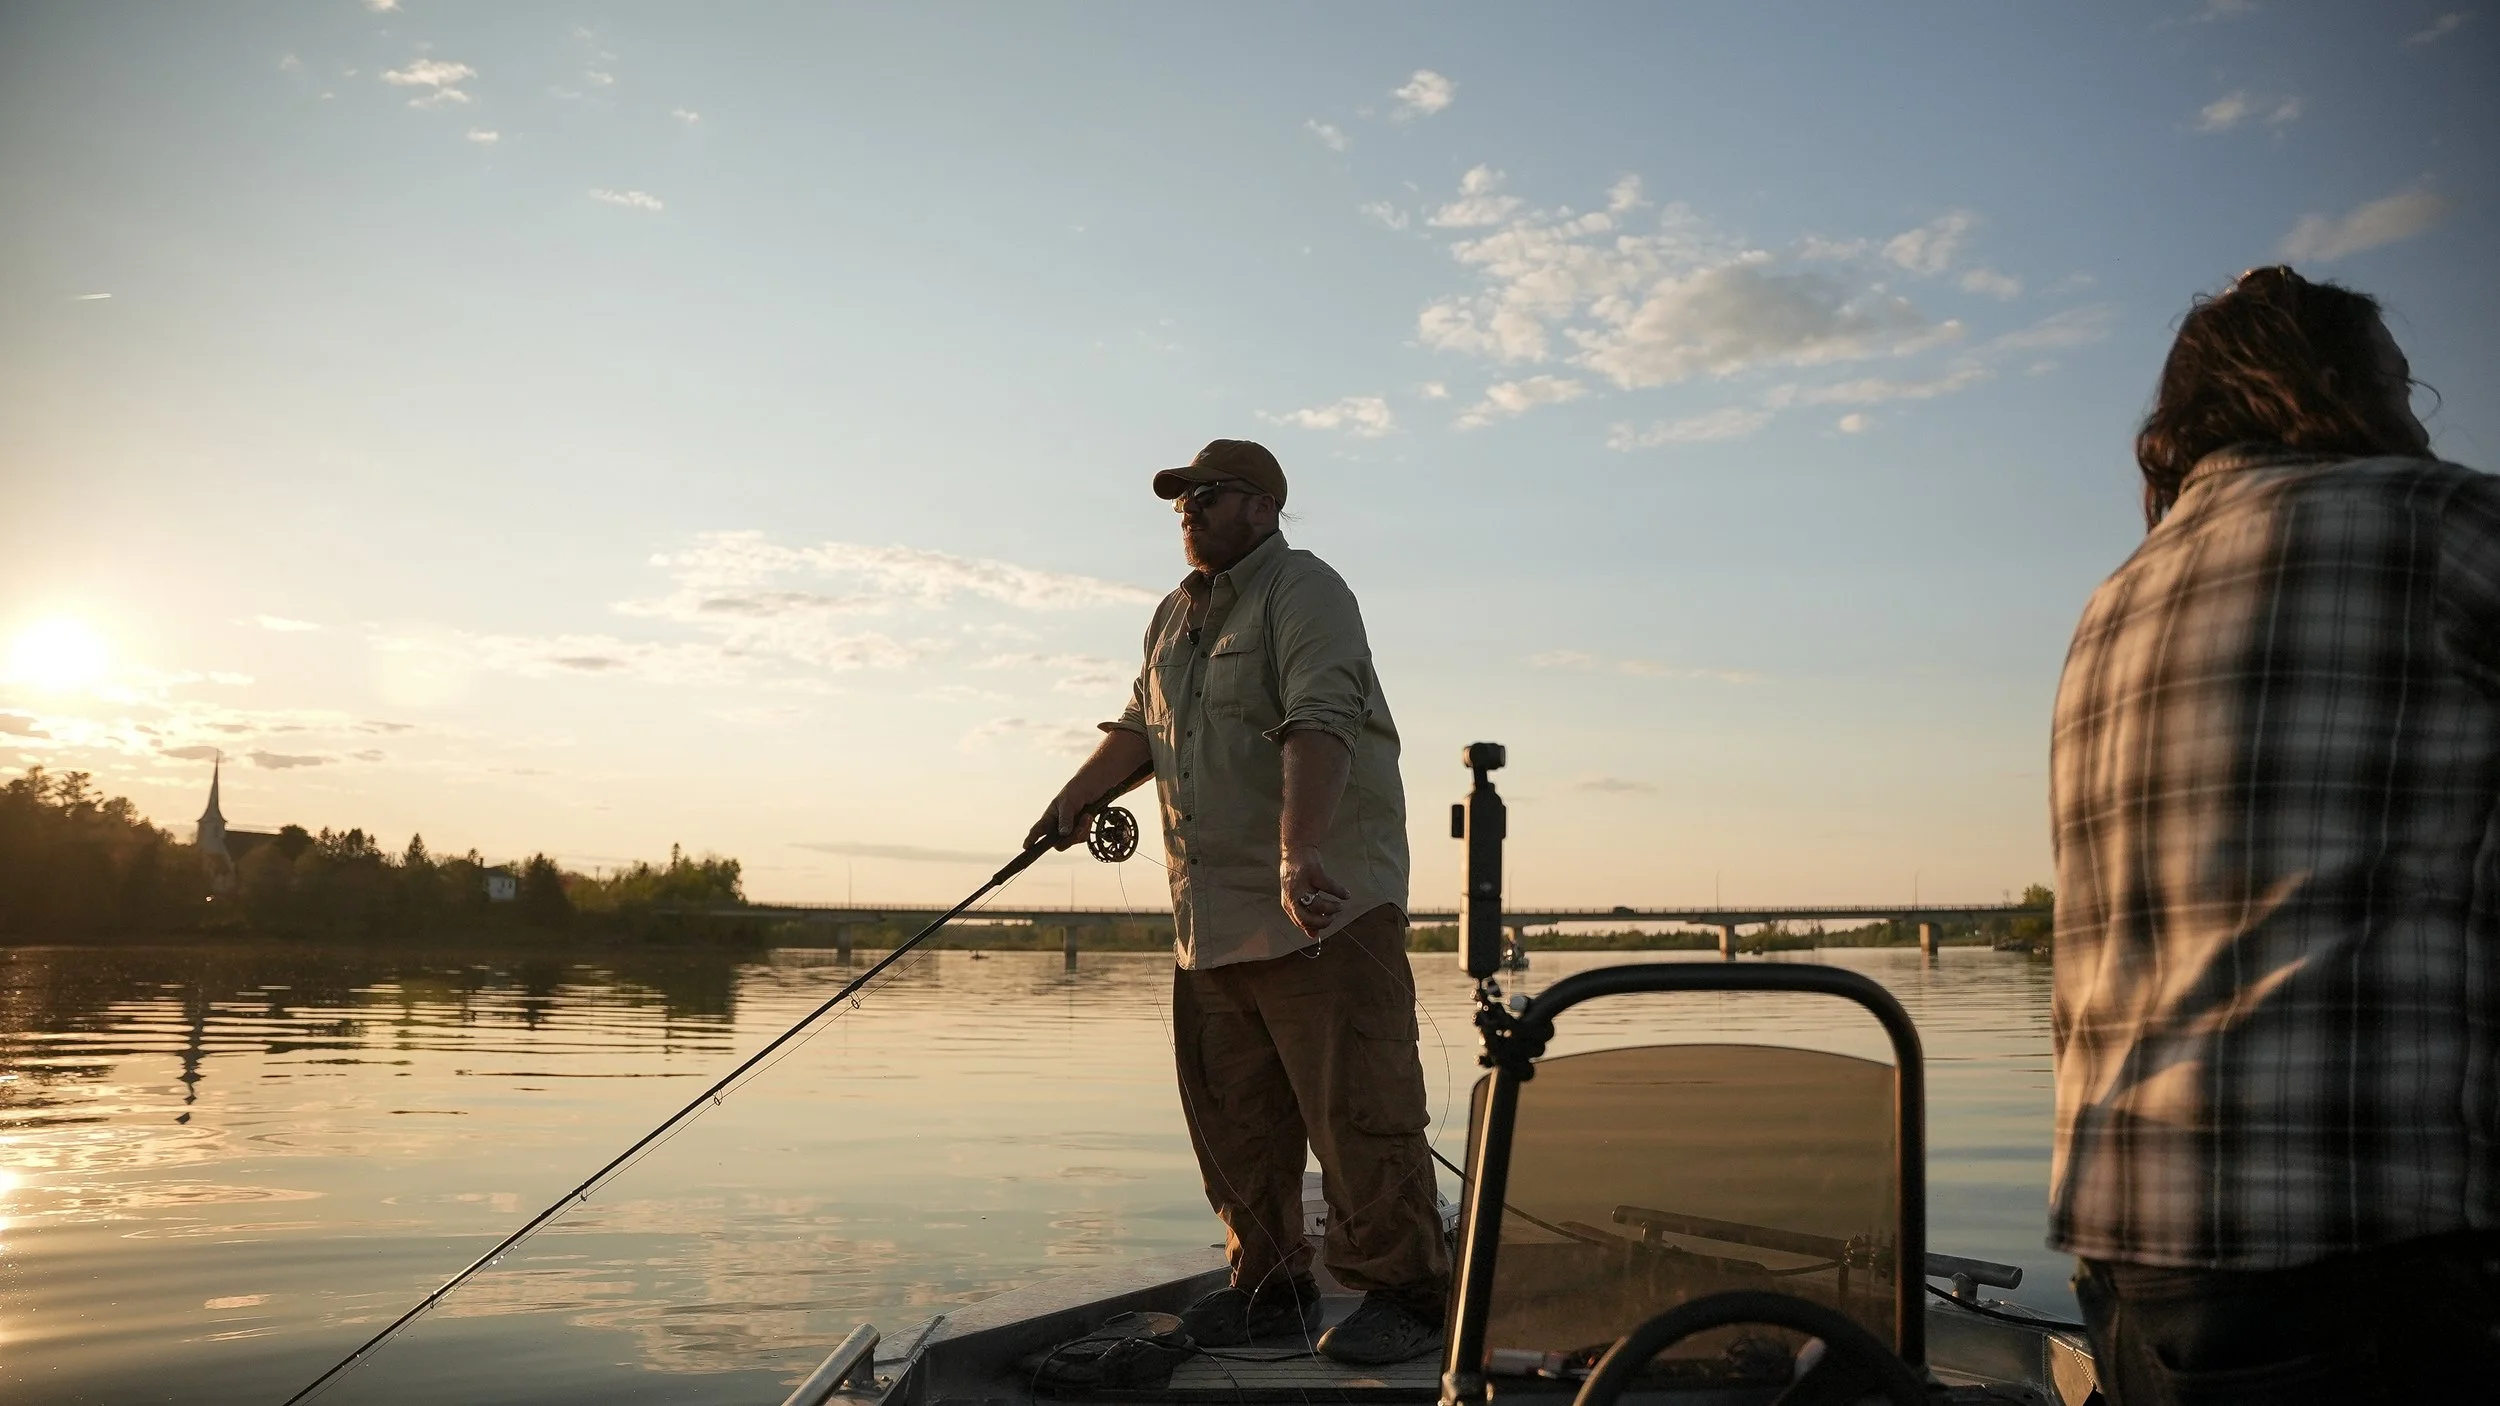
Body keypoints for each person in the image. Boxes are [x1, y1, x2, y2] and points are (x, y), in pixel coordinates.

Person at [2048, 266, 2500, 1402]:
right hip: (2358, 1266)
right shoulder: (2438, 522)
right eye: (2403, 388)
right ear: (2335, 388)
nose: (2412, 418)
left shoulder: (2113, 598)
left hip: (2130, 1278)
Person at [1030, 439, 1448, 1366]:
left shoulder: (1307, 591)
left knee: (1360, 1114)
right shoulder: (1171, 616)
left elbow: (1321, 720)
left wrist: (1300, 856)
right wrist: (1071, 801)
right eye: (1178, 498)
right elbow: (1143, 727)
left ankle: (1408, 1294)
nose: (1185, 508)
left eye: (1203, 494)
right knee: (1235, 1124)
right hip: (1211, 927)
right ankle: (1267, 1284)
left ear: (1259, 506)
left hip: (1322, 912)